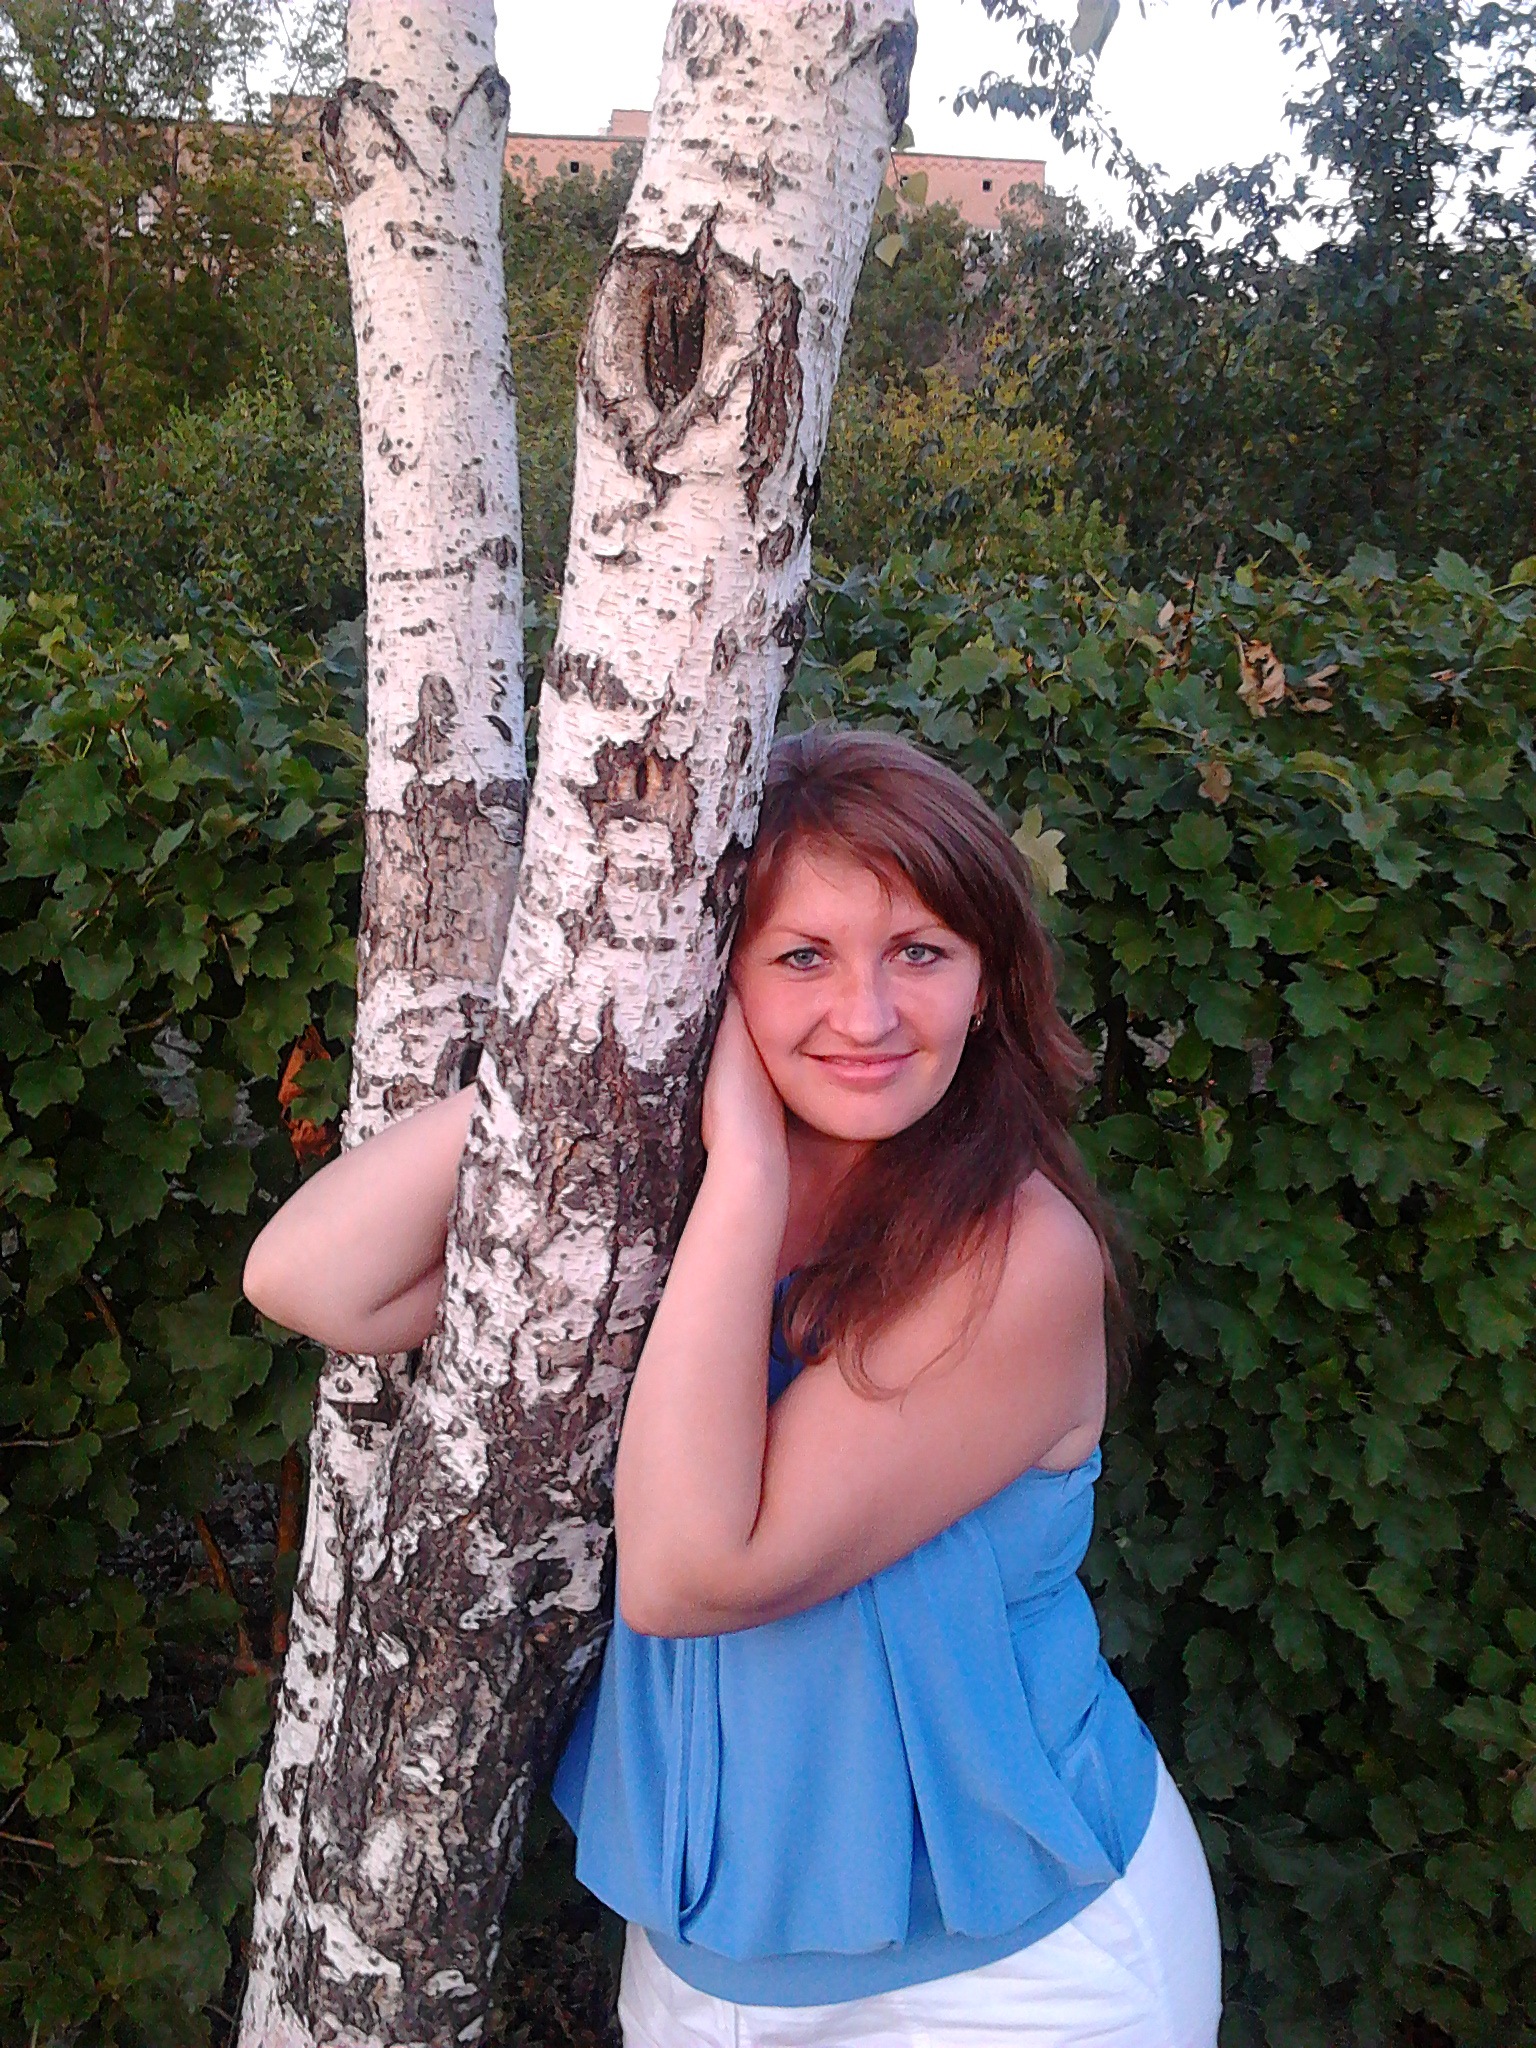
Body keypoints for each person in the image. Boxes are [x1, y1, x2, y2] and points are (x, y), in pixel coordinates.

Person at [244, 724, 1223, 2048]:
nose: (866, 1017)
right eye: (802, 956)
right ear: (721, 975)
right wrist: (604, 1057)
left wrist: (748, 1180)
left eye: (920, 951)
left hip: (1022, 1971)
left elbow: (696, 1574)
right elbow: (314, 1280)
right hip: (709, 1967)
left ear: (990, 980)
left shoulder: (1016, 1254)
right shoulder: (671, 1179)